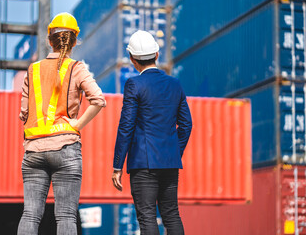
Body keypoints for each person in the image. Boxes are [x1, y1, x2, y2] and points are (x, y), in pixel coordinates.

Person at [17, 12, 106, 235]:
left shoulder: (33, 70)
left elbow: (23, 113)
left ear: (49, 40)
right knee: (66, 216)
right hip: (66, 148)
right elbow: (98, 100)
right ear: (74, 42)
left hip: (34, 150)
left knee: (30, 214)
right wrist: (76, 124)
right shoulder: (77, 68)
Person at [112, 30, 192, 235]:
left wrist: (117, 165)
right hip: (170, 163)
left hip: (143, 165)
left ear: (132, 59)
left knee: (147, 216)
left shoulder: (134, 84)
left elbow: (126, 126)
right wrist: (175, 152)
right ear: (157, 54)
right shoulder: (175, 84)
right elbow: (186, 125)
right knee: (172, 214)